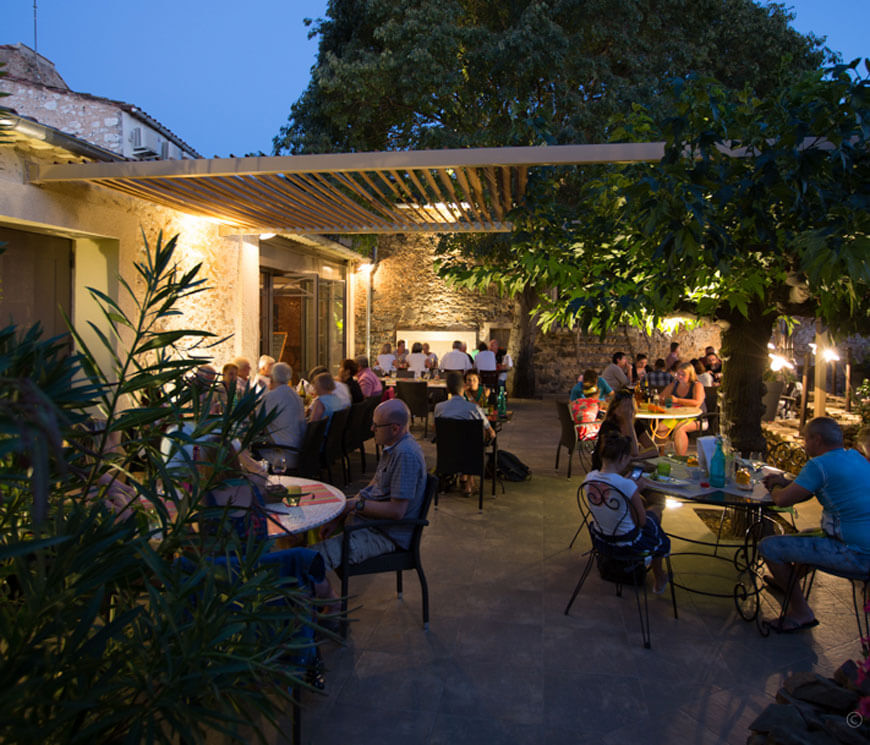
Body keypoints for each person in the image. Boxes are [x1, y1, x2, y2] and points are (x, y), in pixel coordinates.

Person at [759, 417, 870, 633]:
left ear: (817, 440)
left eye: (806, 439)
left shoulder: (819, 465)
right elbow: (811, 487)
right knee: (808, 535)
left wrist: (774, 487)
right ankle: (786, 582)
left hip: (855, 554)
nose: (804, 444)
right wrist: (786, 483)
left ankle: (801, 612)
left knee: (769, 547)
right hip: (862, 544)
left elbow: (782, 500)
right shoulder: (855, 457)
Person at [314, 399, 427, 572]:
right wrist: (341, 514)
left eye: (376, 425)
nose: (372, 428)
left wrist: (355, 505)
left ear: (395, 428)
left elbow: (397, 511)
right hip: (369, 524)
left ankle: (323, 587)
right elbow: (371, 489)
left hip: (384, 534)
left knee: (311, 561)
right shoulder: (393, 448)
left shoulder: (405, 454)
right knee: (309, 534)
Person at [583, 433, 670, 594]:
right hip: (626, 545)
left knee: (650, 516)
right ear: (623, 458)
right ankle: (659, 576)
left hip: (601, 540)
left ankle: (653, 570)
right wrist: (634, 489)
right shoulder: (626, 485)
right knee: (655, 514)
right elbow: (642, 521)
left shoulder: (589, 478)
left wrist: (629, 487)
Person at [435, 372, 493, 495]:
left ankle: (464, 479)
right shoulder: (473, 408)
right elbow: (491, 432)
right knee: (472, 441)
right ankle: (468, 483)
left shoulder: (439, 408)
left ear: (447, 389)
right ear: (464, 387)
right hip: (469, 454)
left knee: (462, 441)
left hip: (447, 453)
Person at [591, 389, 656, 471]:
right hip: (607, 471)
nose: (627, 411)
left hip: (626, 469)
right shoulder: (608, 426)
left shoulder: (636, 423)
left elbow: (653, 450)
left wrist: (634, 458)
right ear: (615, 409)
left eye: (630, 407)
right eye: (624, 407)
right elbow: (633, 452)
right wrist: (627, 421)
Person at [259, 362, 306, 470]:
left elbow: (257, 422)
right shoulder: (295, 395)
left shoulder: (272, 396)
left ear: (271, 378)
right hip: (297, 451)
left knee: (247, 452)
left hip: (283, 455)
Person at [656, 362, 706, 455]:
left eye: (683, 375)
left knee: (680, 429)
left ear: (690, 375)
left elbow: (697, 403)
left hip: (698, 418)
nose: (679, 377)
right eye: (678, 374)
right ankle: (662, 454)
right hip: (677, 416)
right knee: (660, 428)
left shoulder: (696, 385)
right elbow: (662, 397)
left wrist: (677, 400)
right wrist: (663, 399)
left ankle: (680, 457)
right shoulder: (674, 384)